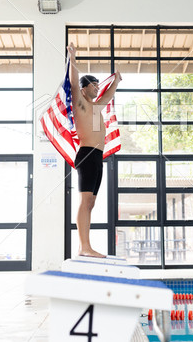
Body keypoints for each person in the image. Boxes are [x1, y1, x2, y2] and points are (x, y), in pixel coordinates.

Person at [68, 42, 122, 257]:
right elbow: (73, 84)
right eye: (94, 86)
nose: (98, 88)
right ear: (84, 88)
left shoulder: (96, 106)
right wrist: (72, 58)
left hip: (97, 156)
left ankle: (85, 246)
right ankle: (84, 248)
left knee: (91, 202)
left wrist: (116, 81)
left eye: (98, 86)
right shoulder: (79, 102)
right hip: (87, 154)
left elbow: (108, 97)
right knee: (85, 200)